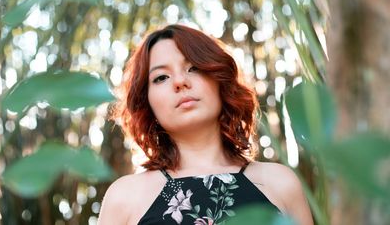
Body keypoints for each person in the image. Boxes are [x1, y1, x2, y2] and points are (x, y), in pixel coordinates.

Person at [98, 24, 313, 225]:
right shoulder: (124, 198)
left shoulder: (281, 184)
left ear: (220, 80)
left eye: (193, 68)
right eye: (161, 77)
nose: (180, 82)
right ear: (147, 103)